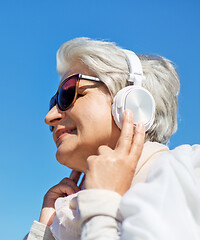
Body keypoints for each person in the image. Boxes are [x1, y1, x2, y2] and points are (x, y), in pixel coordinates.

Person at [25, 38, 200, 240]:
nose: (50, 118)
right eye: (52, 104)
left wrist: (101, 202)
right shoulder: (64, 218)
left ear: (131, 101)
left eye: (68, 93)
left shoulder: (190, 171)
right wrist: (44, 232)